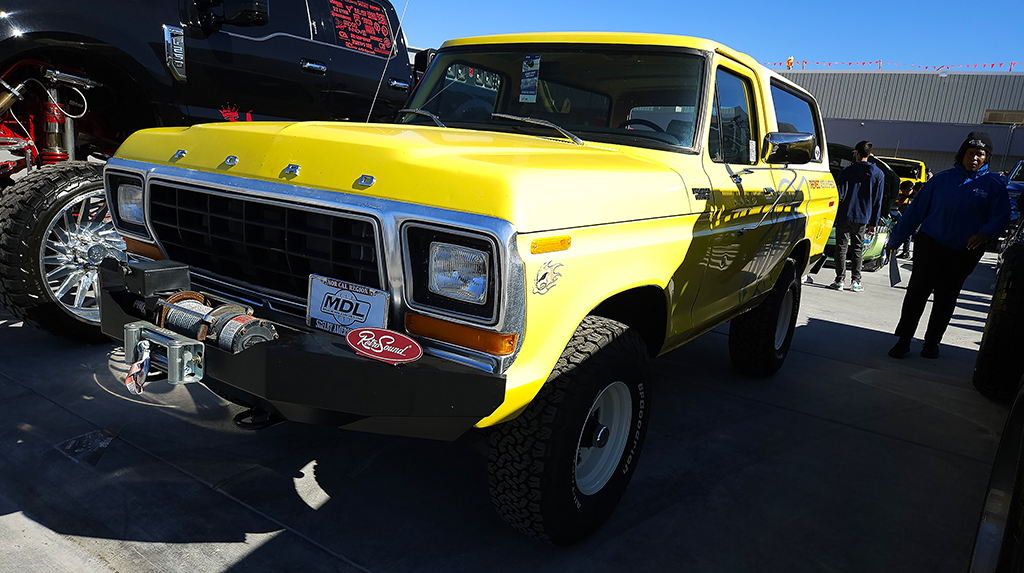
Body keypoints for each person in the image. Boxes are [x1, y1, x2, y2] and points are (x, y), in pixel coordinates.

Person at [886, 132, 1010, 359]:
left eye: (980, 154)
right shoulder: (940, 180)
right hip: (930, 244)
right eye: (970, 153)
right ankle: (904, 339)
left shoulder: (993, 185)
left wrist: (985, 234)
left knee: (946, 297)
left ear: (987, 158)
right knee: (916, 293)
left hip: (964, 251)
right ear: (962, 154)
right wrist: (895, 239)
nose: (974, 158)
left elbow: (1002, 217)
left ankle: (932, 342)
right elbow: (914, 213)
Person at [829, 140, 885, 292]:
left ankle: (839, 281)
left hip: (844, 215)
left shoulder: (846, 172)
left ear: (858, 153)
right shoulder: (878, 174)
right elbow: (878, 200)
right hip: (863, 217)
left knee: (840, 248)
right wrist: (873, 222)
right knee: (857, 249)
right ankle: (856, 281)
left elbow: (839, 195)